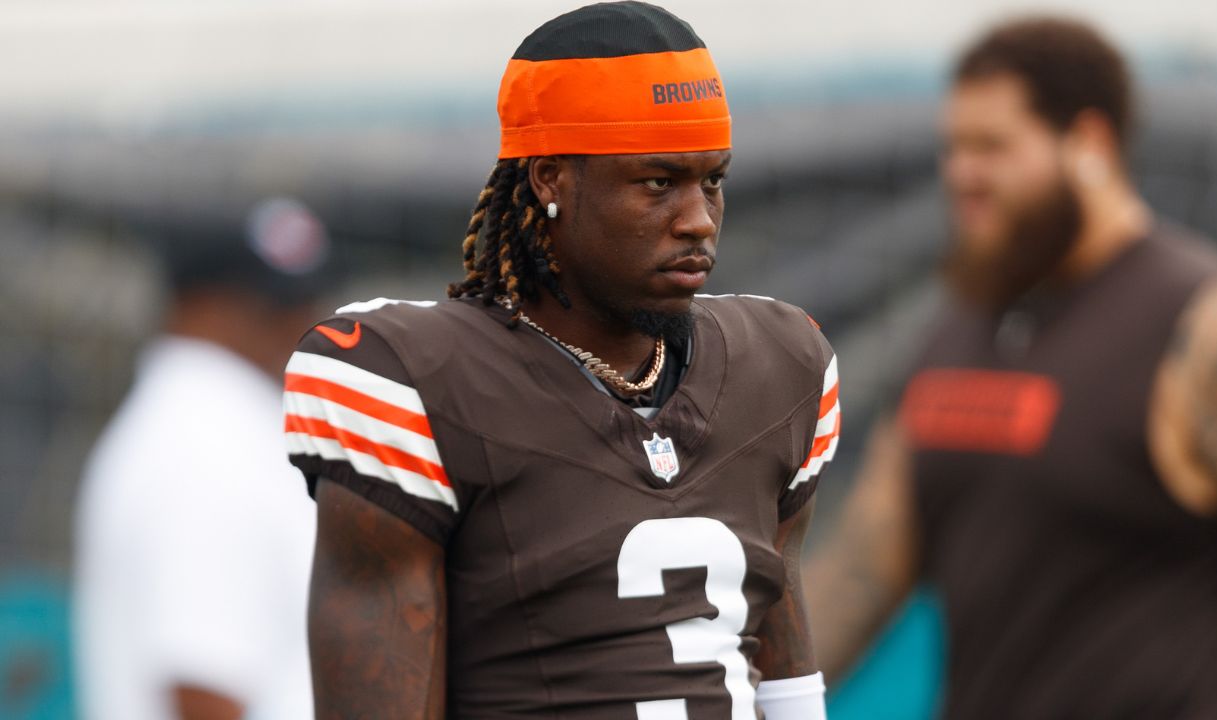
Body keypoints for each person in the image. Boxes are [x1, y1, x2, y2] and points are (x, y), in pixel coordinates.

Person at [281, 3, 839, 718]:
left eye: (713, 181)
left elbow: (784, 667)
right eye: (658, 182)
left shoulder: (780, 366)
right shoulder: (415, 381)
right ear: (550, 179)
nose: (698, 219)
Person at [806, 16, 1217, 719]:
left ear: (1089, 143)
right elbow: (860, 572)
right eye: (954, 148)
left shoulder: (1210, 329)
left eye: (992, 147)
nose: (961, 174)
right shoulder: (959, 330)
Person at [74, 198, 328, 719]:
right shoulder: (204, 441)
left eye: (307, 302)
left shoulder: (211, 427)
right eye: (273, 306)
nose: (303, 325)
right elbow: (203, 684)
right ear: (199, 306)